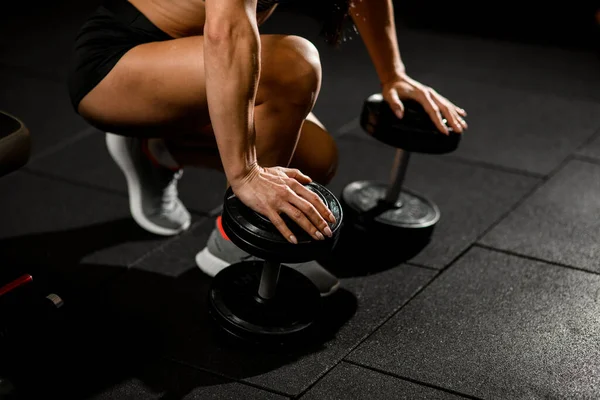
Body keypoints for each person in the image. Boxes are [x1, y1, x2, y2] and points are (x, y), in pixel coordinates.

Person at [67, 0, 467, 297]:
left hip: (191, 66)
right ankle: (235, 245)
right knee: (293, 63)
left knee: (316, 158)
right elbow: (228, 32)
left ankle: (160, 149)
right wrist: (245, 174)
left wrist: (393, 75)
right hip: (117, 65)